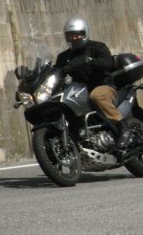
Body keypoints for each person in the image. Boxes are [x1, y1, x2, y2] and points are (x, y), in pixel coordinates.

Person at [54, 17, 131, 149]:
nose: (74, 38)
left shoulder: (97, 47)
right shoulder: (64, 57)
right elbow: (56, 72)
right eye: (71, 35)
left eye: (78, 34)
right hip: (78, 91)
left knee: (97, 95)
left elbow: (108, 62)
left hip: (102, 85)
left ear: (85, 33)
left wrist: (89, 61)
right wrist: (32, 76)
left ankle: (123, 128)